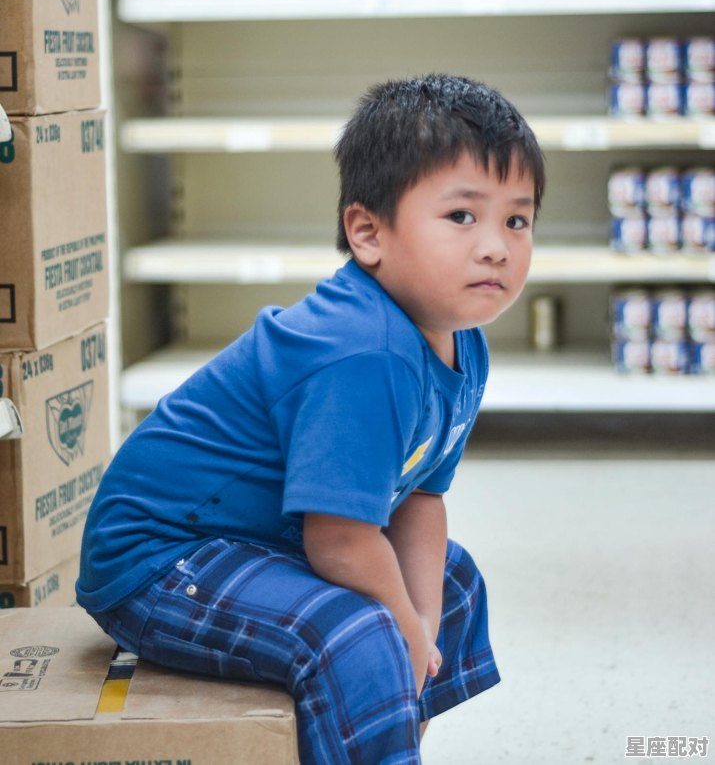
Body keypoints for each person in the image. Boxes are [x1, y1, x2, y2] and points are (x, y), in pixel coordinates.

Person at [76, 72, 546, 764]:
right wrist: (401, 630)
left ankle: (383, 745)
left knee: (451, 583)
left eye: (517, 219)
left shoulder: (460, 345)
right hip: (160, 560)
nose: (496, 247)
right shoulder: (364, 351)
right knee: (357, 632)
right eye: (460, 216)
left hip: (263, 539)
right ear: (367, 232)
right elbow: (340, 540)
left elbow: (418, 498)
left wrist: (419, 622)